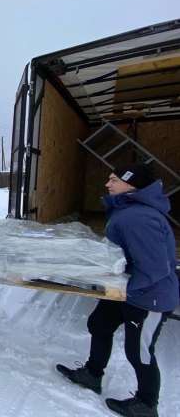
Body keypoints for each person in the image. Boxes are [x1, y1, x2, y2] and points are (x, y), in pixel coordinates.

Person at [57, 163, 179, 417]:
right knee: (100, 324)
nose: (107, 183)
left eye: (113, 179)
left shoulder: (140, 217)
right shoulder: (128, 210)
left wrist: (126, 290)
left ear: (131, 185)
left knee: (139, 351)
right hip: (125, 289)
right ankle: (92, 374)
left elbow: (155, 268)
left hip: (148, 296)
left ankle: (147, 404)